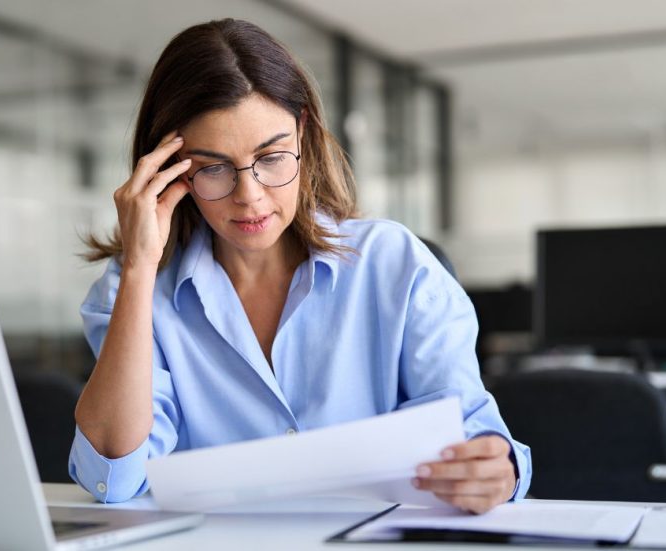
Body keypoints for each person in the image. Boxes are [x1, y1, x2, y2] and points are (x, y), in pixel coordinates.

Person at [71, 18, 531, 514]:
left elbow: (471, 430)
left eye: (271, 157)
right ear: (167, 171)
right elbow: (115, 474)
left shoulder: (395, 265)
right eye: (212, 167)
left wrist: (494, 467)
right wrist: (140, 267)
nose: (250, 197)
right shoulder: (132, 290)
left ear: (303, 135)